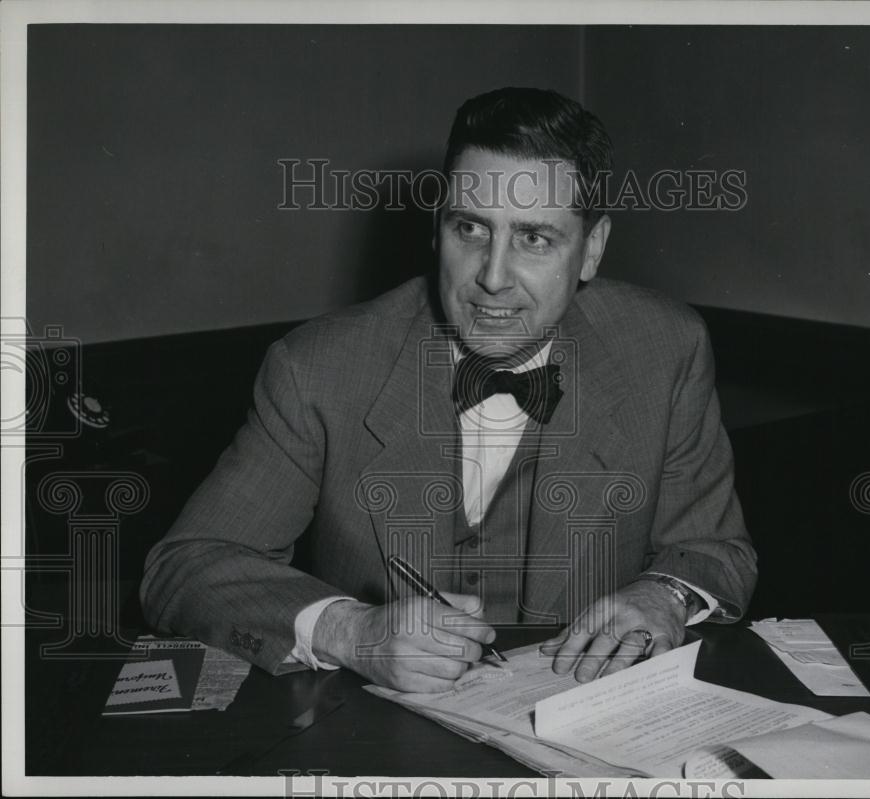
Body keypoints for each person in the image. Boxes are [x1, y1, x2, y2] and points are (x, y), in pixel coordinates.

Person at [140, 87, 757, 693]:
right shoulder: (318, 368)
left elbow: (715, 549)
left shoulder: (664, 349)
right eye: (471, 229)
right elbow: (184, 568)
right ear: (437, 230)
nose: (491, 278)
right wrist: (352, 631)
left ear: (591, 249)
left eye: (534, 239)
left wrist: (666, 593)